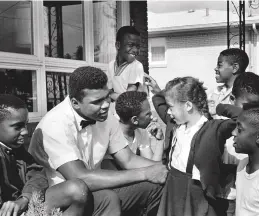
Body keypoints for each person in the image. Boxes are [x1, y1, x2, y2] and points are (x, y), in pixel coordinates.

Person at [28, 66, 168, 216]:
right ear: (75, 103)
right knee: (108, 198)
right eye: (98, 101)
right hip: (69, 201)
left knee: (161, 185)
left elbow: (128, 159)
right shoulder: (55, 123)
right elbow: (79, 178)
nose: (107, 105)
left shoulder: (106, 117)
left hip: (97, 188)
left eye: (107, 97)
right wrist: (145, 173)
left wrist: (168, 170)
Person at [145, 74, 236, 216]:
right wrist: (160, 91)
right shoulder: (175, 123)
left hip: (196, 192)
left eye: (171, 107)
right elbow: (159, 102)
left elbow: (243, 118)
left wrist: (218, 108)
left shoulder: (213, 129)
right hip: (173, 186)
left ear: (188, 105)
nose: (168, 112)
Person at [0, 94, 90, 216]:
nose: (25, 131)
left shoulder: (16, 148)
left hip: (25, 204)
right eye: (18, 127)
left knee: (76, 188)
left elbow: (38, 174)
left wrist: (25, 198)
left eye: (26, 125)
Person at [214, 72, 259, 216]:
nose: (253, 112)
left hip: (244, 196)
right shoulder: (219, 125)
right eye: (248, 106)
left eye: (257, 106)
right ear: (232, 99)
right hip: (221, 195)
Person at [107, 26, 145, 116]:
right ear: (118, 45)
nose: (135, 50)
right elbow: (107, 90)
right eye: (131, 45)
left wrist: (112, 94)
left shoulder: (137, 66)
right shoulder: (111, 65)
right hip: (114, 113)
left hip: (130, 115)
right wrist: (111, 94)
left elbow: (129, 98)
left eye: (138, 46)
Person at [115, 91, 164, 161]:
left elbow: (153, 165)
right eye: (148, 114)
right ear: (134, 120)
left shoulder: (141, 131)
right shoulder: (113, 135)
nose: (153, 117)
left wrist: (160, 140)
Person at [208, 48, 249, 119]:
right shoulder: (215, 92)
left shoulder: (246, 95)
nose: (215, 68)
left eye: (220, 65)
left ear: (235, 68)